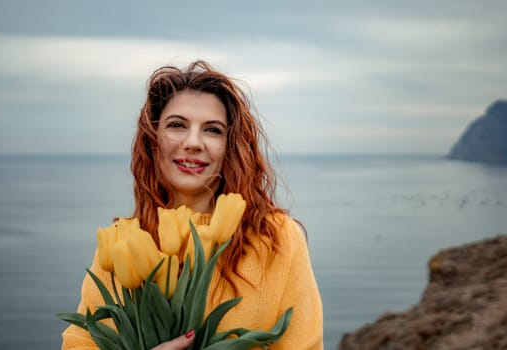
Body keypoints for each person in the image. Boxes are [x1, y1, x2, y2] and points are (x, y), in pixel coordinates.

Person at [61, 60, 324, 349]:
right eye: (177, 125)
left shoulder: (275, 237)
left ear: (230, 145)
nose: (193, 142)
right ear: (153, 139)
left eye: (212, 130)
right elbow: (80, 342)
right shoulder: (123, 242)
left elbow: (306, 343)